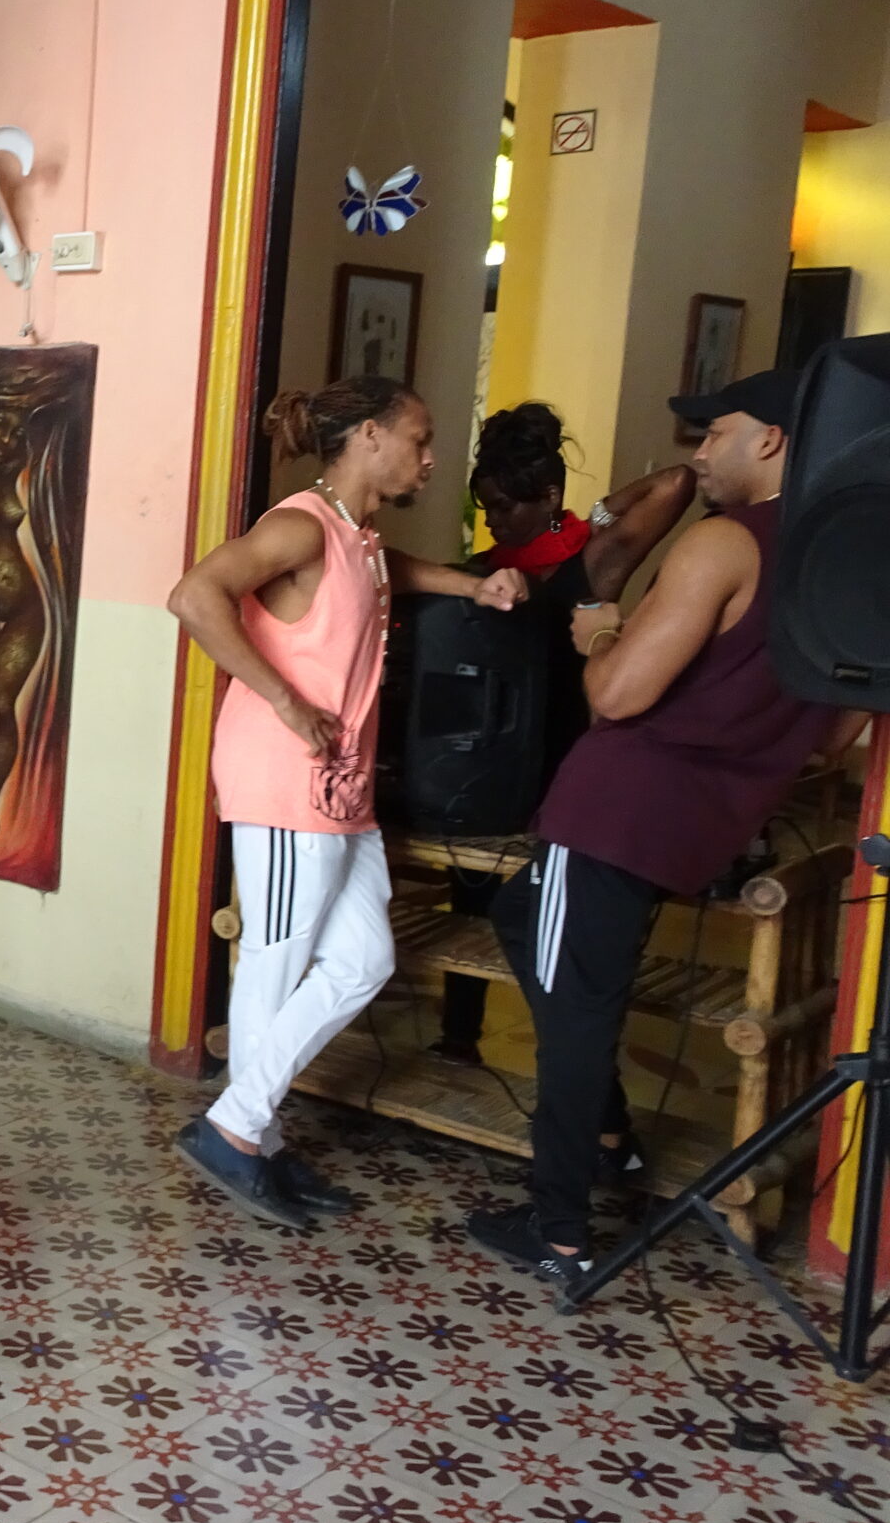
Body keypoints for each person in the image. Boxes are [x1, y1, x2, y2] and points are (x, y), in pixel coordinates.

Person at [465, 370, 848, 1292]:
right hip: (700, 824)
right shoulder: (843, 556)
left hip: (614, 810)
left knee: (575, 1012)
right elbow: (837, 734)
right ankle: (609, 1137)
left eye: (714, 434)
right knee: (525, 921)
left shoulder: (724, 541)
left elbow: (616, 695)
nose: (698, 454)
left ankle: (559, 1228)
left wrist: (602, 633)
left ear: (770, 440)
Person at [166, 376, 526, 1229]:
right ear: (369, 435)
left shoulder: (354, 534)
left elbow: (381, 570)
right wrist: (285, 699)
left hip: (341, 786)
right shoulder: (299, 524)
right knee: (277, 959)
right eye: (419, 438)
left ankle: (244, 1124)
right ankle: (245, 1133)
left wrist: (468, 586)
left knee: (363, 959)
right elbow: (194, 595)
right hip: (287, 778)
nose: (430, 457)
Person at [427, 402, 699, 1066]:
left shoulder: (592, 559)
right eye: (486, 506)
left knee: (557, 923)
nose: (493, 520)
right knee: (470, 892)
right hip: (497, 761)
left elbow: (675, 483)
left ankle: (571, 1058)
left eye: (505, 506)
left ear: (549, 497)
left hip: (569, 762)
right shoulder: (483, 568)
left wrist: (596, 511)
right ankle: (460, 1035)